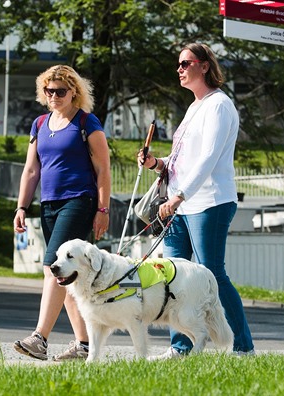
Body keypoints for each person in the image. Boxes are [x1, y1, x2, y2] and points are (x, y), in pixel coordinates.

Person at [137, 43, 255, 358]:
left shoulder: (219, 105)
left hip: (210, 201)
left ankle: (243, 346)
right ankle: (181, 347)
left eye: (186, 63)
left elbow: (208, 159)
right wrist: (156, 164)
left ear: (204, 66)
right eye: (178, 64)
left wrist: (178, 197)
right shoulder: (193, 107)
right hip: (181, 204)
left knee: (211, 272)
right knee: (172, 273)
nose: (180, 69)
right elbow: (182, 161)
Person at [13, 65, 111, 361]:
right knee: (63, 273)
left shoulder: (86, 121)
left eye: (60, 91)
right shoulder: (40, 123)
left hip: (79, 201)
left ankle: (40, 337)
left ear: (74, 92)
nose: (54, 95)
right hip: (49, 204)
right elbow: (31, 170)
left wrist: (103, 209)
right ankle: (84, 345)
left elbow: (103, 168)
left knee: (52, 267)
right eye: (48, 90)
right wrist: (21, 205)